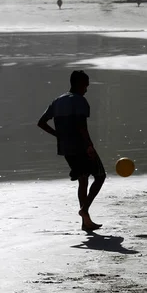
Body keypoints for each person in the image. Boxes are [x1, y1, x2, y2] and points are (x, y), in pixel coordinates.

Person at [38, 70, 106, 231]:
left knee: (82, 180)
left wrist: (58, 135)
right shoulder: (80, 101)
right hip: (81, 146)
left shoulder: (57, 101)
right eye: (85, 85)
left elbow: (41, 122)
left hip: (66, 148)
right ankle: (85, 209)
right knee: (100, 176)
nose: (86, 89)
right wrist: (89, 145)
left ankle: (86, 222)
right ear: (78, 84)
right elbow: (81, 126)